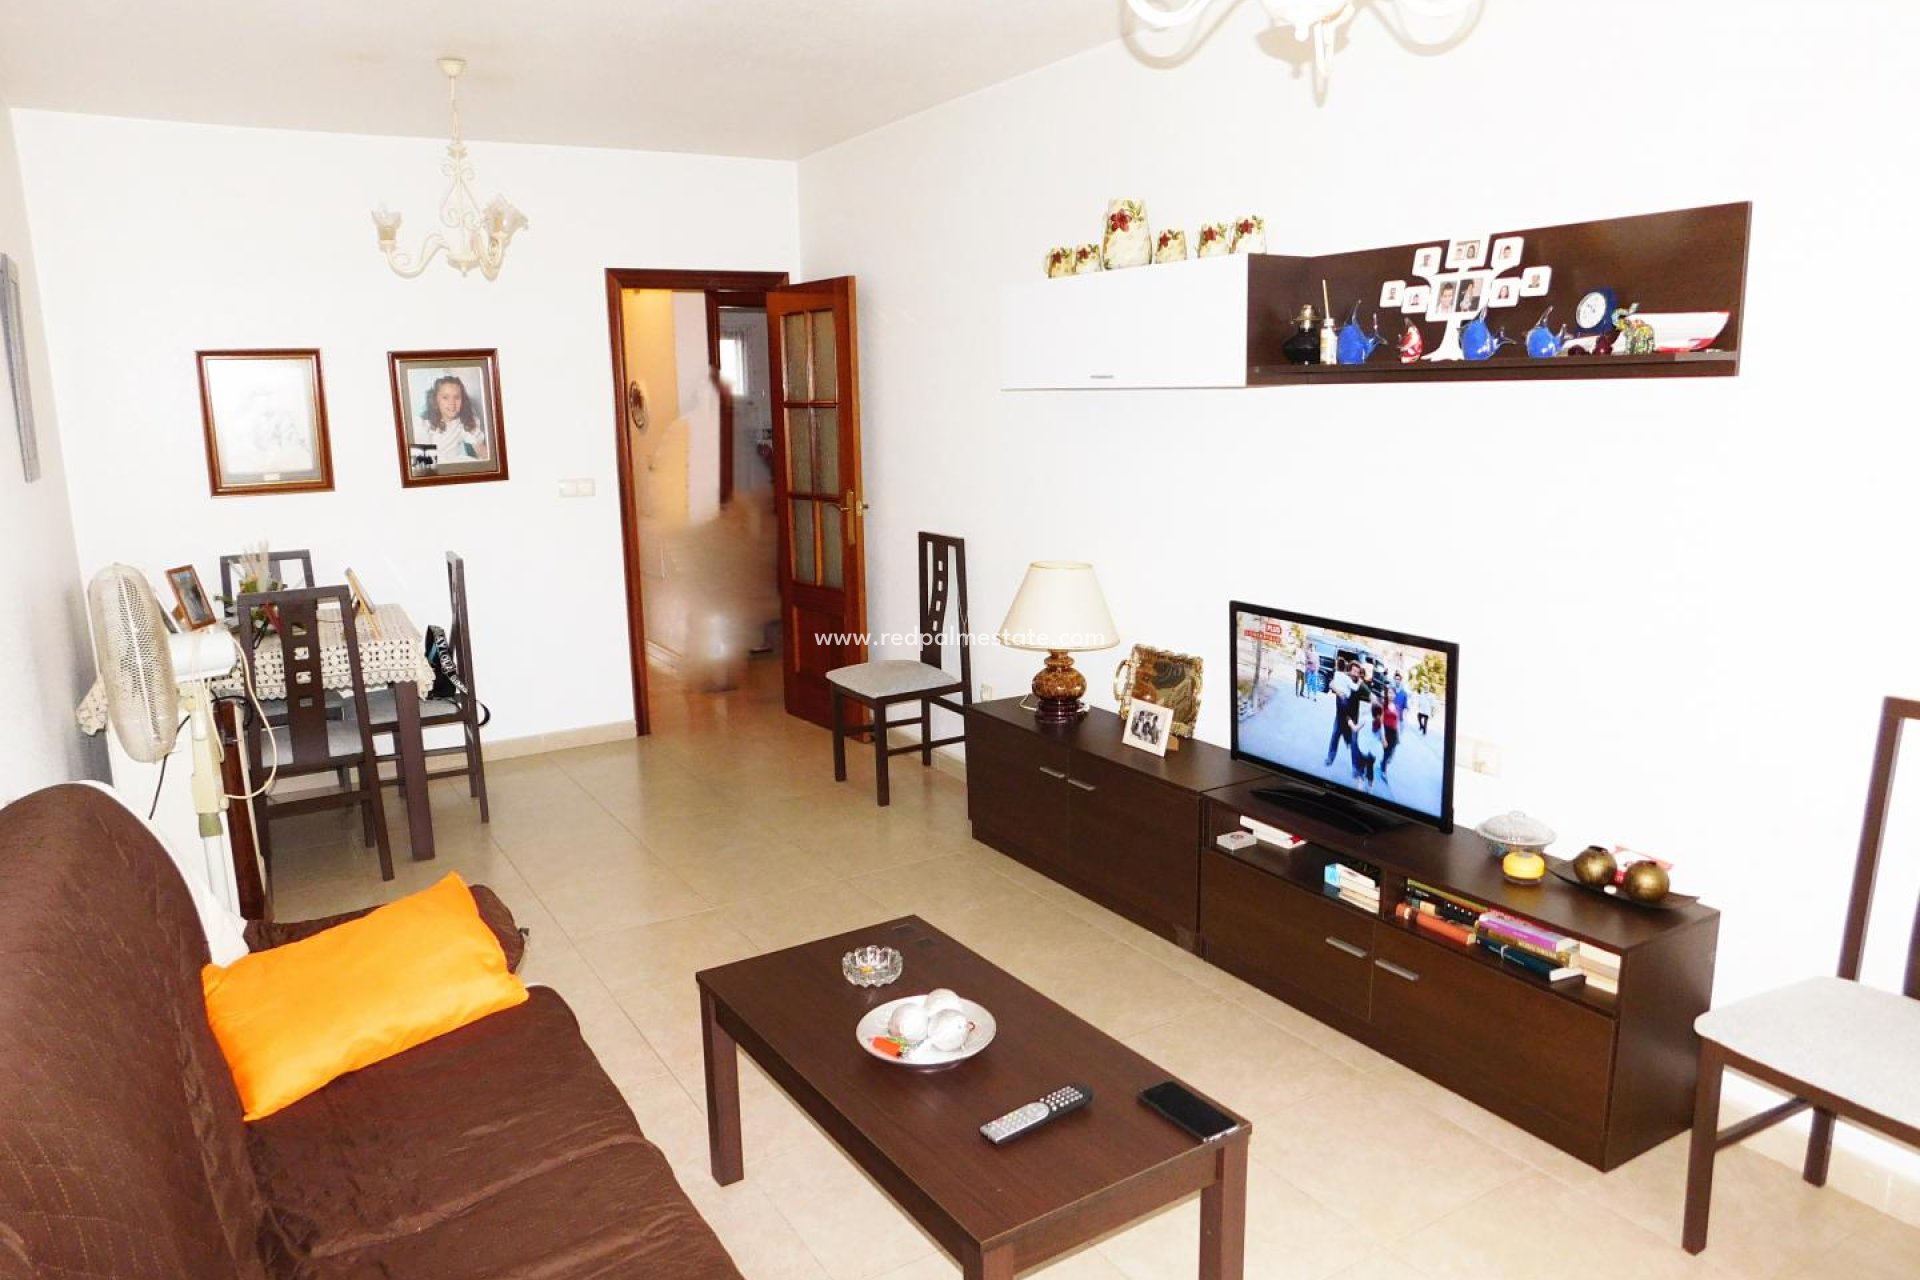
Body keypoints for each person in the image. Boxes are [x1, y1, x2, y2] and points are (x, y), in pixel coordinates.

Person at [417, 374, 488, 469]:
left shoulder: (462, 422)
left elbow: (480, 449)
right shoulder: (424, 424)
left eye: (457, 397)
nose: (452, 403)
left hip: (454, 465)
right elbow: (422, 463)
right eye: (445, 397)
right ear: (435, 401)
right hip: (433, 468)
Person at [1323, 660, 1357, 768]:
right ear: (1349, 671)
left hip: (1352, 717)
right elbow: (1331, 684)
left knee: (1353, 741)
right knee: (1335, 734)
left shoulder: (1358, 683)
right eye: (1354, 671)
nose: (1355, 673)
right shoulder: (1343, 677)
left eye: (1357, 672)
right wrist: (1338, 691)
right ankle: (1330, 757)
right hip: (1341, 714)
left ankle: (1357, 768)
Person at [1381, 697, 1401, 779]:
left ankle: (1383, 765)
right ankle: (1383, 770)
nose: (1391, 695)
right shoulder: (1383, 706)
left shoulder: (1397, 707)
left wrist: (1398, 736)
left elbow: (1397, 722)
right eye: (1389, 692)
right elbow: (1381, 722)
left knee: (1389, 752)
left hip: (1394, 733)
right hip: (1386, 732)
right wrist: (1383, 737)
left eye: (1392, 693)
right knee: (1386, 752)